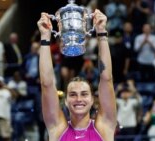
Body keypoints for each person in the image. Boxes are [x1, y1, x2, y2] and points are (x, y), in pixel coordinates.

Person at [37, 9, 117, 141]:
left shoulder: (104, 127)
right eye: (73, 94)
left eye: (84, 94)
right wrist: (45, 37)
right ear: (66, 101)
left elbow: (107, 79)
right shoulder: (57, 128)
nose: (79, 99)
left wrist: (102, 32)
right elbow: (46, 84)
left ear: (92, 100)